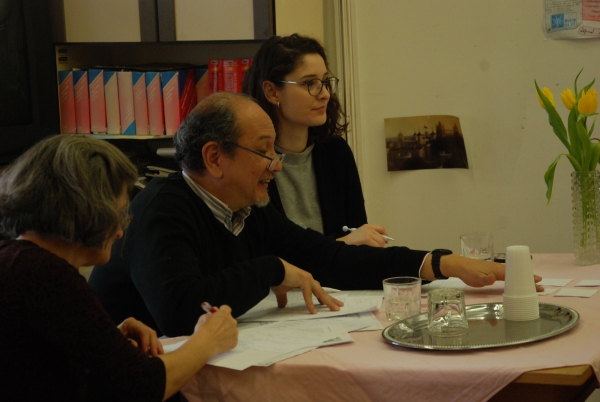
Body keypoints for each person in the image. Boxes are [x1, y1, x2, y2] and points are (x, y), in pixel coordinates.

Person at [89, 92, 542, 339]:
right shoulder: (161, 209)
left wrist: (443, 263)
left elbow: (333, 259)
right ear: (214, 157)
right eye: (264, 151)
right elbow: (179, 311)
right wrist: (272, 268)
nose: (276, 165)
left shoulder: (247, 209)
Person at [0, 135, 238, 402]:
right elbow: (145, 385)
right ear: (88, 209)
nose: (120, 232)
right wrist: (208, 340)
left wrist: (106, 339)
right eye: (118, 215)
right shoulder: (45, 274)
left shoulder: (15, 260)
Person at [242, 33, 389, 247]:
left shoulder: (336, 152)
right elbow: (263, 255)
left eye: (325, 82)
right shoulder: (248, 160)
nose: (325, 94)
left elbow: (360, 240)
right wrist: (344, 244)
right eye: (310, 83)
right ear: (272, 92)